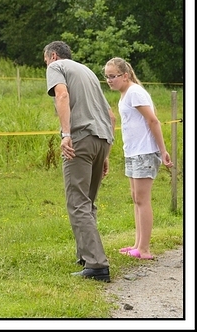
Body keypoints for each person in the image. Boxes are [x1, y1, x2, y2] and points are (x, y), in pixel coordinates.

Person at [43, 41, 116, 282]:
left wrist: (66, 135)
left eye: (45, 60)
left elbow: (62, 95)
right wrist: (105, 154)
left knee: (78, 202)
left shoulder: (57, 67)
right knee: (88, 202)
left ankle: (97, 265)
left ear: (53, 55)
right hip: (102, 139)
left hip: (81, 139)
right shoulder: (87, 71)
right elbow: (110, 114)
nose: (46, 65)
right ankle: (86, 257)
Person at [104, 57, 173, 260]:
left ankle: (144, 249)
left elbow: (153, 120)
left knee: (143, 200)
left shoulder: (135, 92)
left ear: (125, 75)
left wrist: (162, 150)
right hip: (133, 152)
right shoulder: (125, 94)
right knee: (136, 198)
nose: (109, 80)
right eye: (107, 77)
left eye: (113, 76)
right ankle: (136, 244)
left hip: (145, 151)